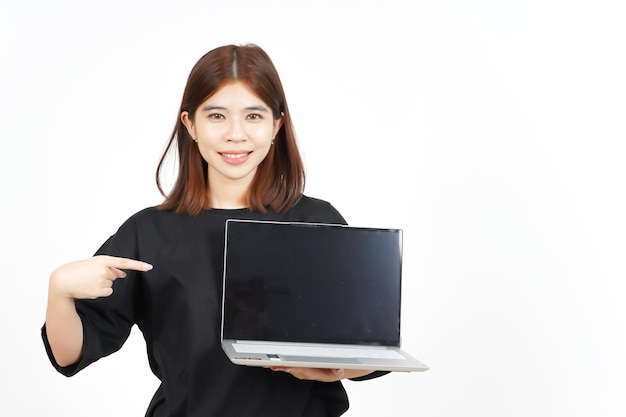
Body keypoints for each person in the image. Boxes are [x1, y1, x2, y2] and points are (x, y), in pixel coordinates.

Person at [42, 44, 388, 416]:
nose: (235, 134)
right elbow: (69, 354)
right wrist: (58, 290)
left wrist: (329, 370)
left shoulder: (318, 223)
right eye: (217, 115)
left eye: (253, 116)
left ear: (276, 126)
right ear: (190, 125)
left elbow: (368, 354)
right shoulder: (149, 232)